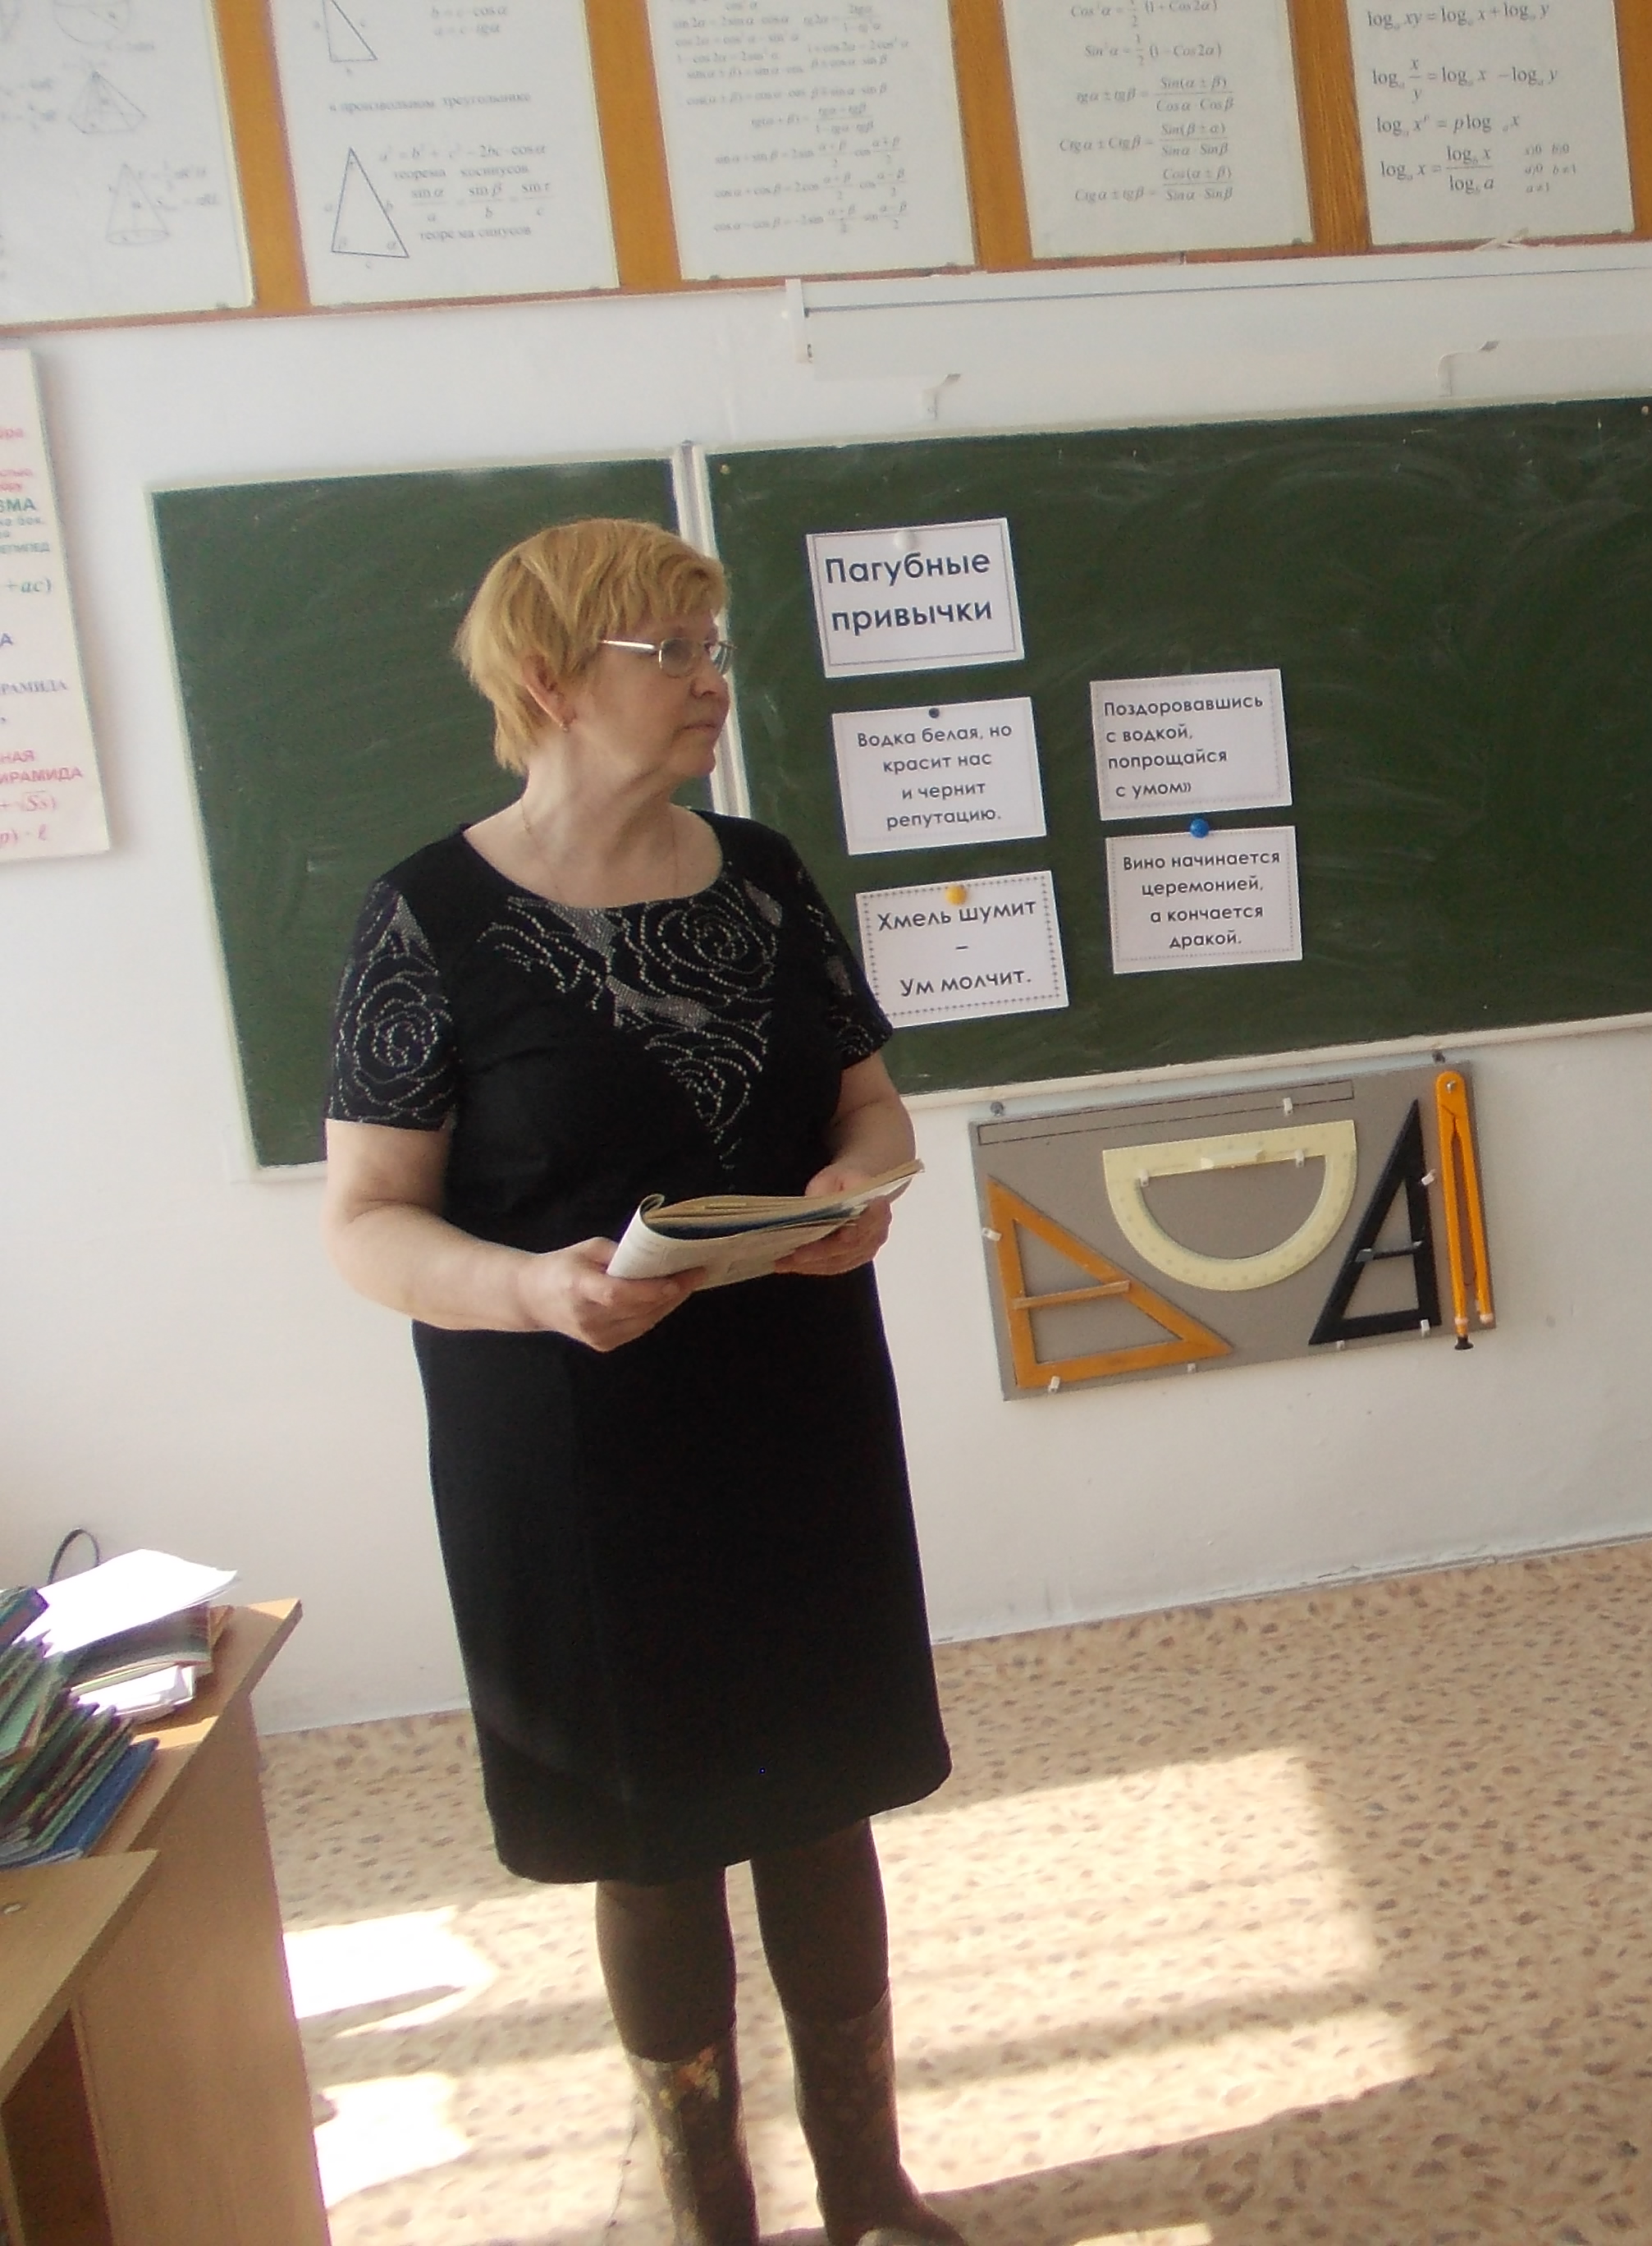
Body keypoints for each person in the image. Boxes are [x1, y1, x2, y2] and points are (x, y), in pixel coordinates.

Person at [320, 519, 960, 2245]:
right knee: (652, 1832)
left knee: (823, 1804)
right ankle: (710, 2206)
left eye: (709, 646)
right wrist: (530, 1287)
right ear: (547, 681)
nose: (708, 681)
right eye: (666, 651)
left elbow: (868, 1101)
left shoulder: (762, 876)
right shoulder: (429, 917)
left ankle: (868, 2189)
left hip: (795, 1402)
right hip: (567, 1438)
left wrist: (861, 1187)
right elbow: (367, 1225)